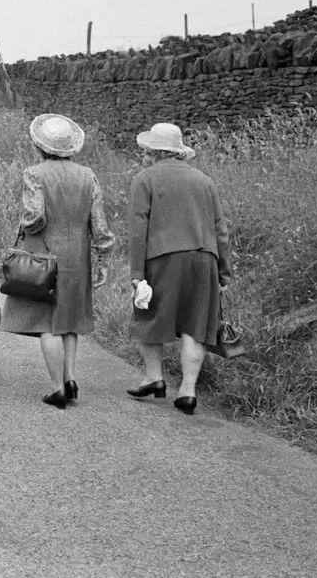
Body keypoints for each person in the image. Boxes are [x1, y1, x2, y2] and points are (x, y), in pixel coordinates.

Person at [0, 114, 115, 410]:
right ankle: (71, 379)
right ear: (71, 147)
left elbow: (34, 218)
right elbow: (99, 225)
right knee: (71, 320)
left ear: (40, 145)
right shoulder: (88, 175)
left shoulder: (34, 173)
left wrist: (23, 226)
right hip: (78, 255)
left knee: (47, 322)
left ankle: (56, 388)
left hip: (44, 256)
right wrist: (103, 258)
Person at [125, 122, 233, 416]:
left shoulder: (144, 179)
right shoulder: (204, 180)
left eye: (147, 150)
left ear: (154, 152)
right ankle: (187, 392)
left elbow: (138, 230)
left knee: (148, 314)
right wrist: (224, 272)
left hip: (164, 257)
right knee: (195, 326)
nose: (144, 155)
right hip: (204, 259)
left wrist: (137, 274)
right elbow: (220, 229)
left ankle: (154, 378)